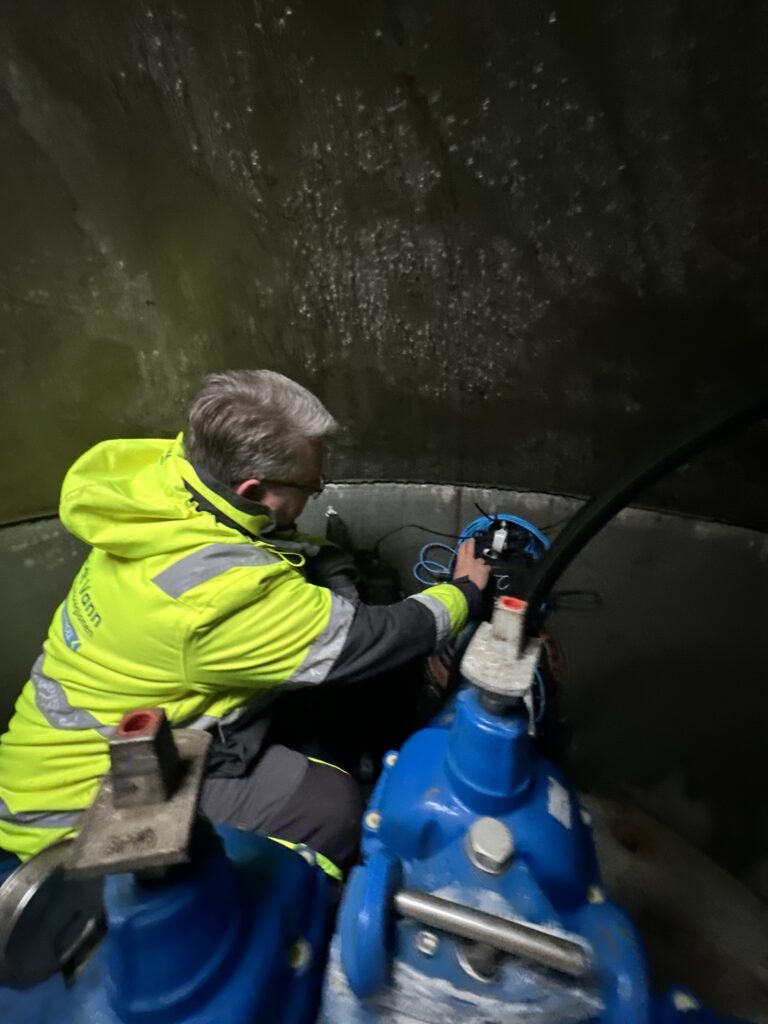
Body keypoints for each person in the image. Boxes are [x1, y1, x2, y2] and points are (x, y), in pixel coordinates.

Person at [0, 370, 490, 878]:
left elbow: (264, 542)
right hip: (83, 806)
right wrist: (464, 594)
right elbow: (371, 638)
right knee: (331, 808)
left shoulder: (165, 478)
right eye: (311, 486)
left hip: (51, 761)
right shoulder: (216, 597)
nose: (318, 491)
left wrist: (330, 561)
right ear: (253, 490)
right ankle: (308, 900)